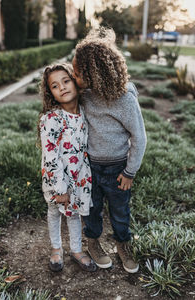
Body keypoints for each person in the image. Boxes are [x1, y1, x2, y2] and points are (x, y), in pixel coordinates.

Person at [72, 27, 147, 273]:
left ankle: (123, 244)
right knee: (91, 210)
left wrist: (130, 171)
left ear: (94, 73)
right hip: (90, 167)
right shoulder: (84, 95)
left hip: (118, 170)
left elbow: (139, 137)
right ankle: (93, 242)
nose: (74, 76)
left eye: (77, 72)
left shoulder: (125, 100)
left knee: (120, 211)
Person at [38, 63, 96, 272]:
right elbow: (51, 156)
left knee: (74, 213)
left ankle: (76, 249)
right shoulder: (52, 119)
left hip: (78, 176)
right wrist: (59, 189)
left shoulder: (83, 112)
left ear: (75, 82)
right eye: (55, 86)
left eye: (66, 81)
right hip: (57, 179)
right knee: (55, 211)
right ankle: (55, 248)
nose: (62, 87)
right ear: (51, 93)